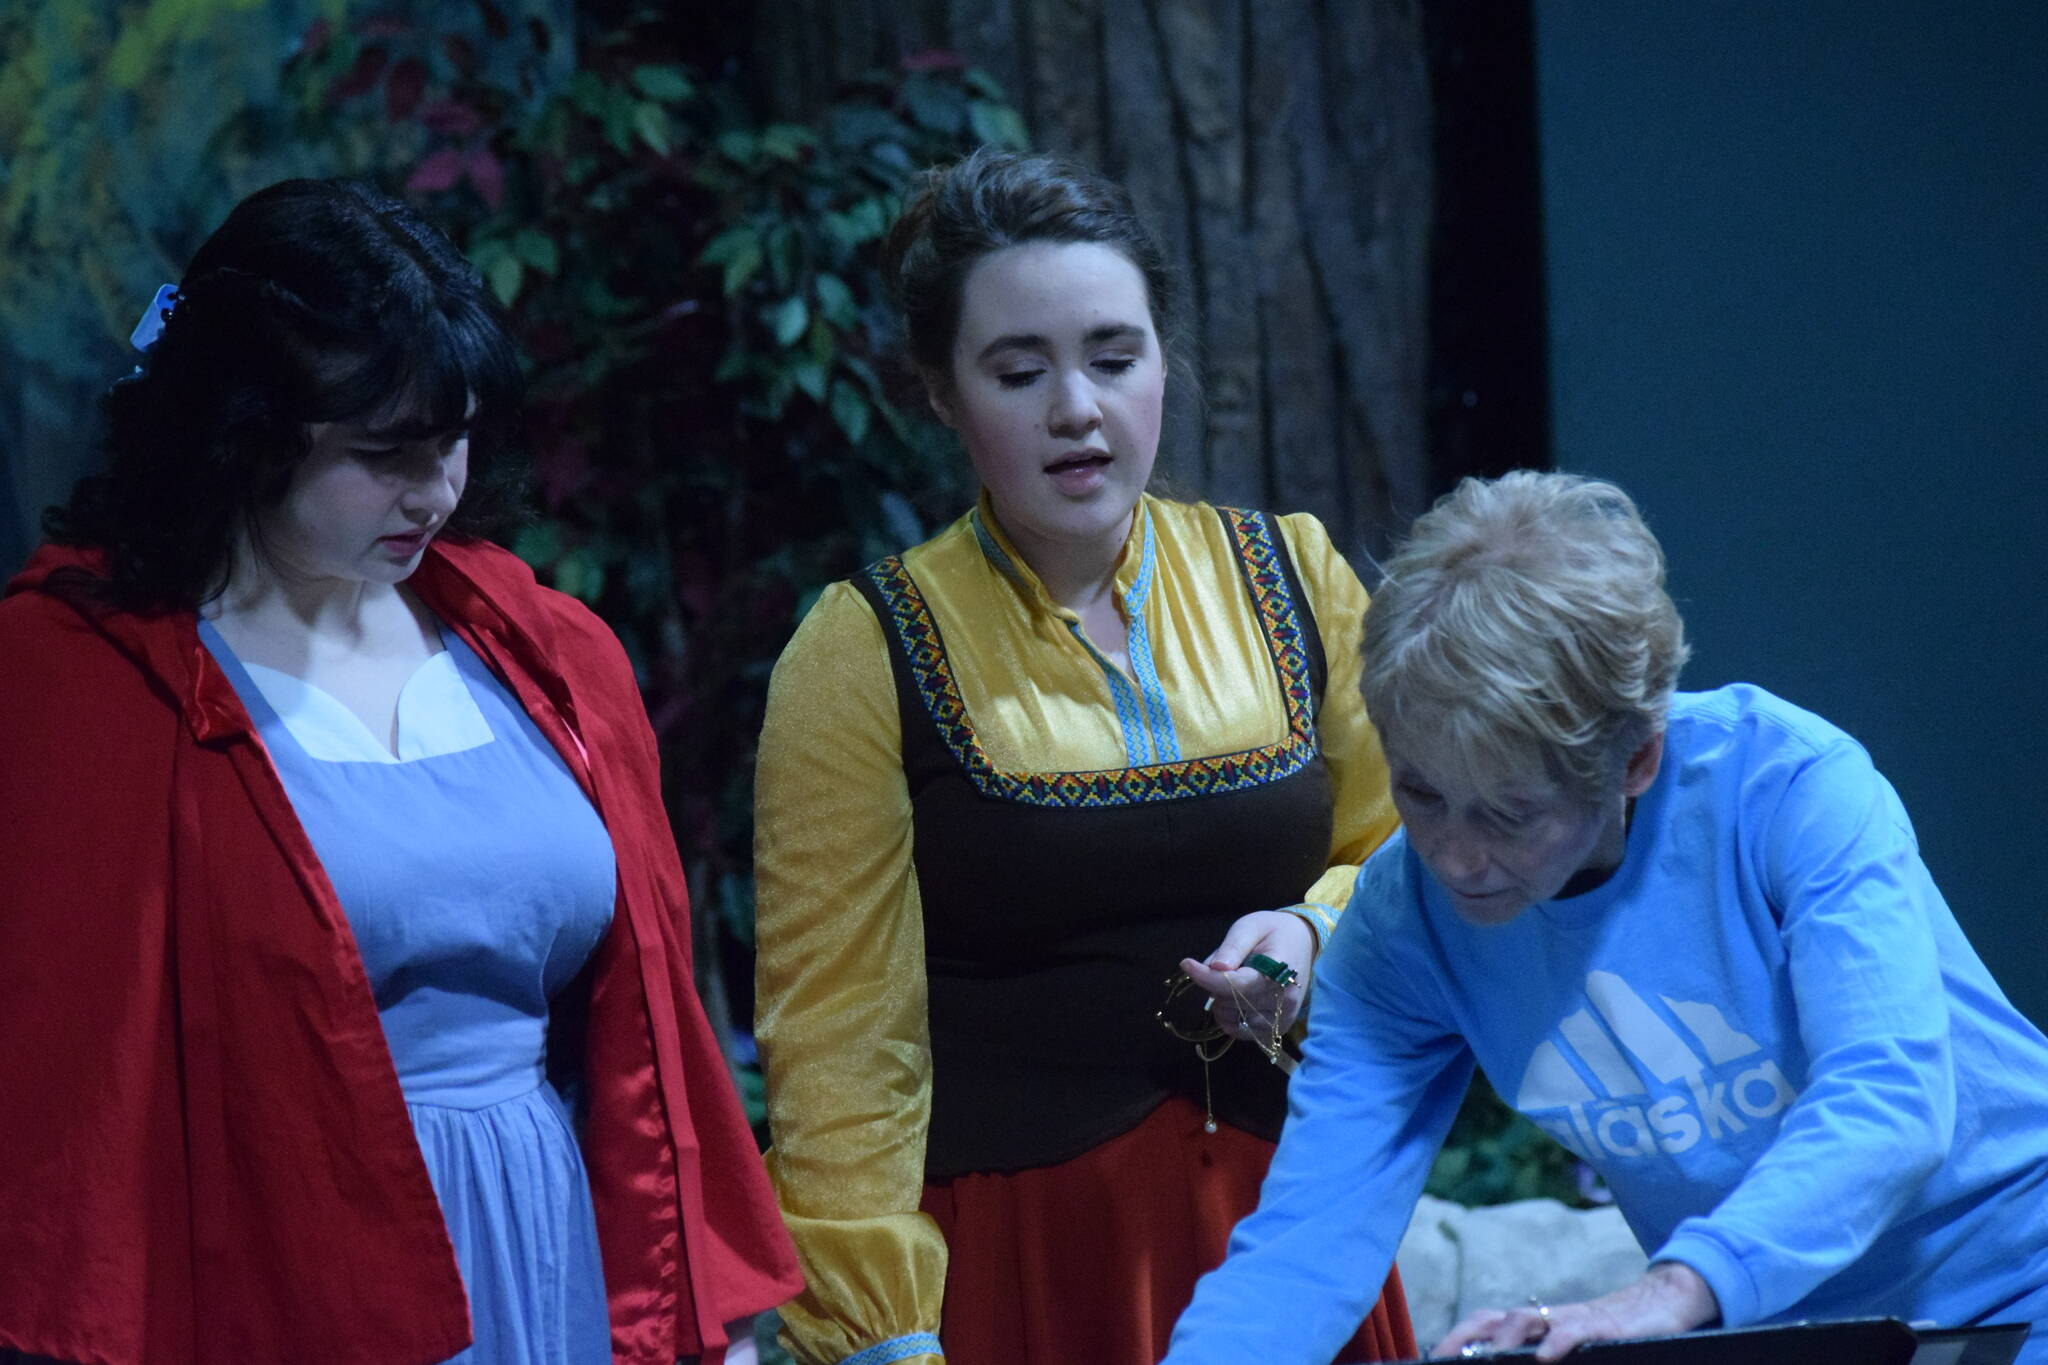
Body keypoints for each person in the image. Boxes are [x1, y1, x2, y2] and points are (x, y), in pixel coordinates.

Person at [0, 178, 801, 1365]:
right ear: (243, 430)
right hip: (277, 1275)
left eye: (456, 440)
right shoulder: (84, 674)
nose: (436, 491)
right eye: (386, 454)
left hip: (550, 1244)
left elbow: (652, 1036)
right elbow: (75, 1091)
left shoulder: (548, 650)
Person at [749, 147, 1416, 1365]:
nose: (1077, 408)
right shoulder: (861, 648)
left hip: (1290, 1223)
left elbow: (1406, 847)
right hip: (1032, 1247)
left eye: (1114, 359)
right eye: (1019, 371)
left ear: (1163, 359)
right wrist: (875, 1332)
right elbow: (840, 1034)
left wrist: (1313, 931)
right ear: (942, 394)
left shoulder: (1293, 576)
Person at [1164, 470, 2048, 1364]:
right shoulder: (1403, 921)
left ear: (1638, 759)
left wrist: (1671, 1291)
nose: (1455, 856)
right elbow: (1308, 1245)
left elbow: (1889, 1098)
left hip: (2024, 1278)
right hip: (1783, 1331)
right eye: (1422, 793)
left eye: (1510, 813)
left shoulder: (1787, 788)